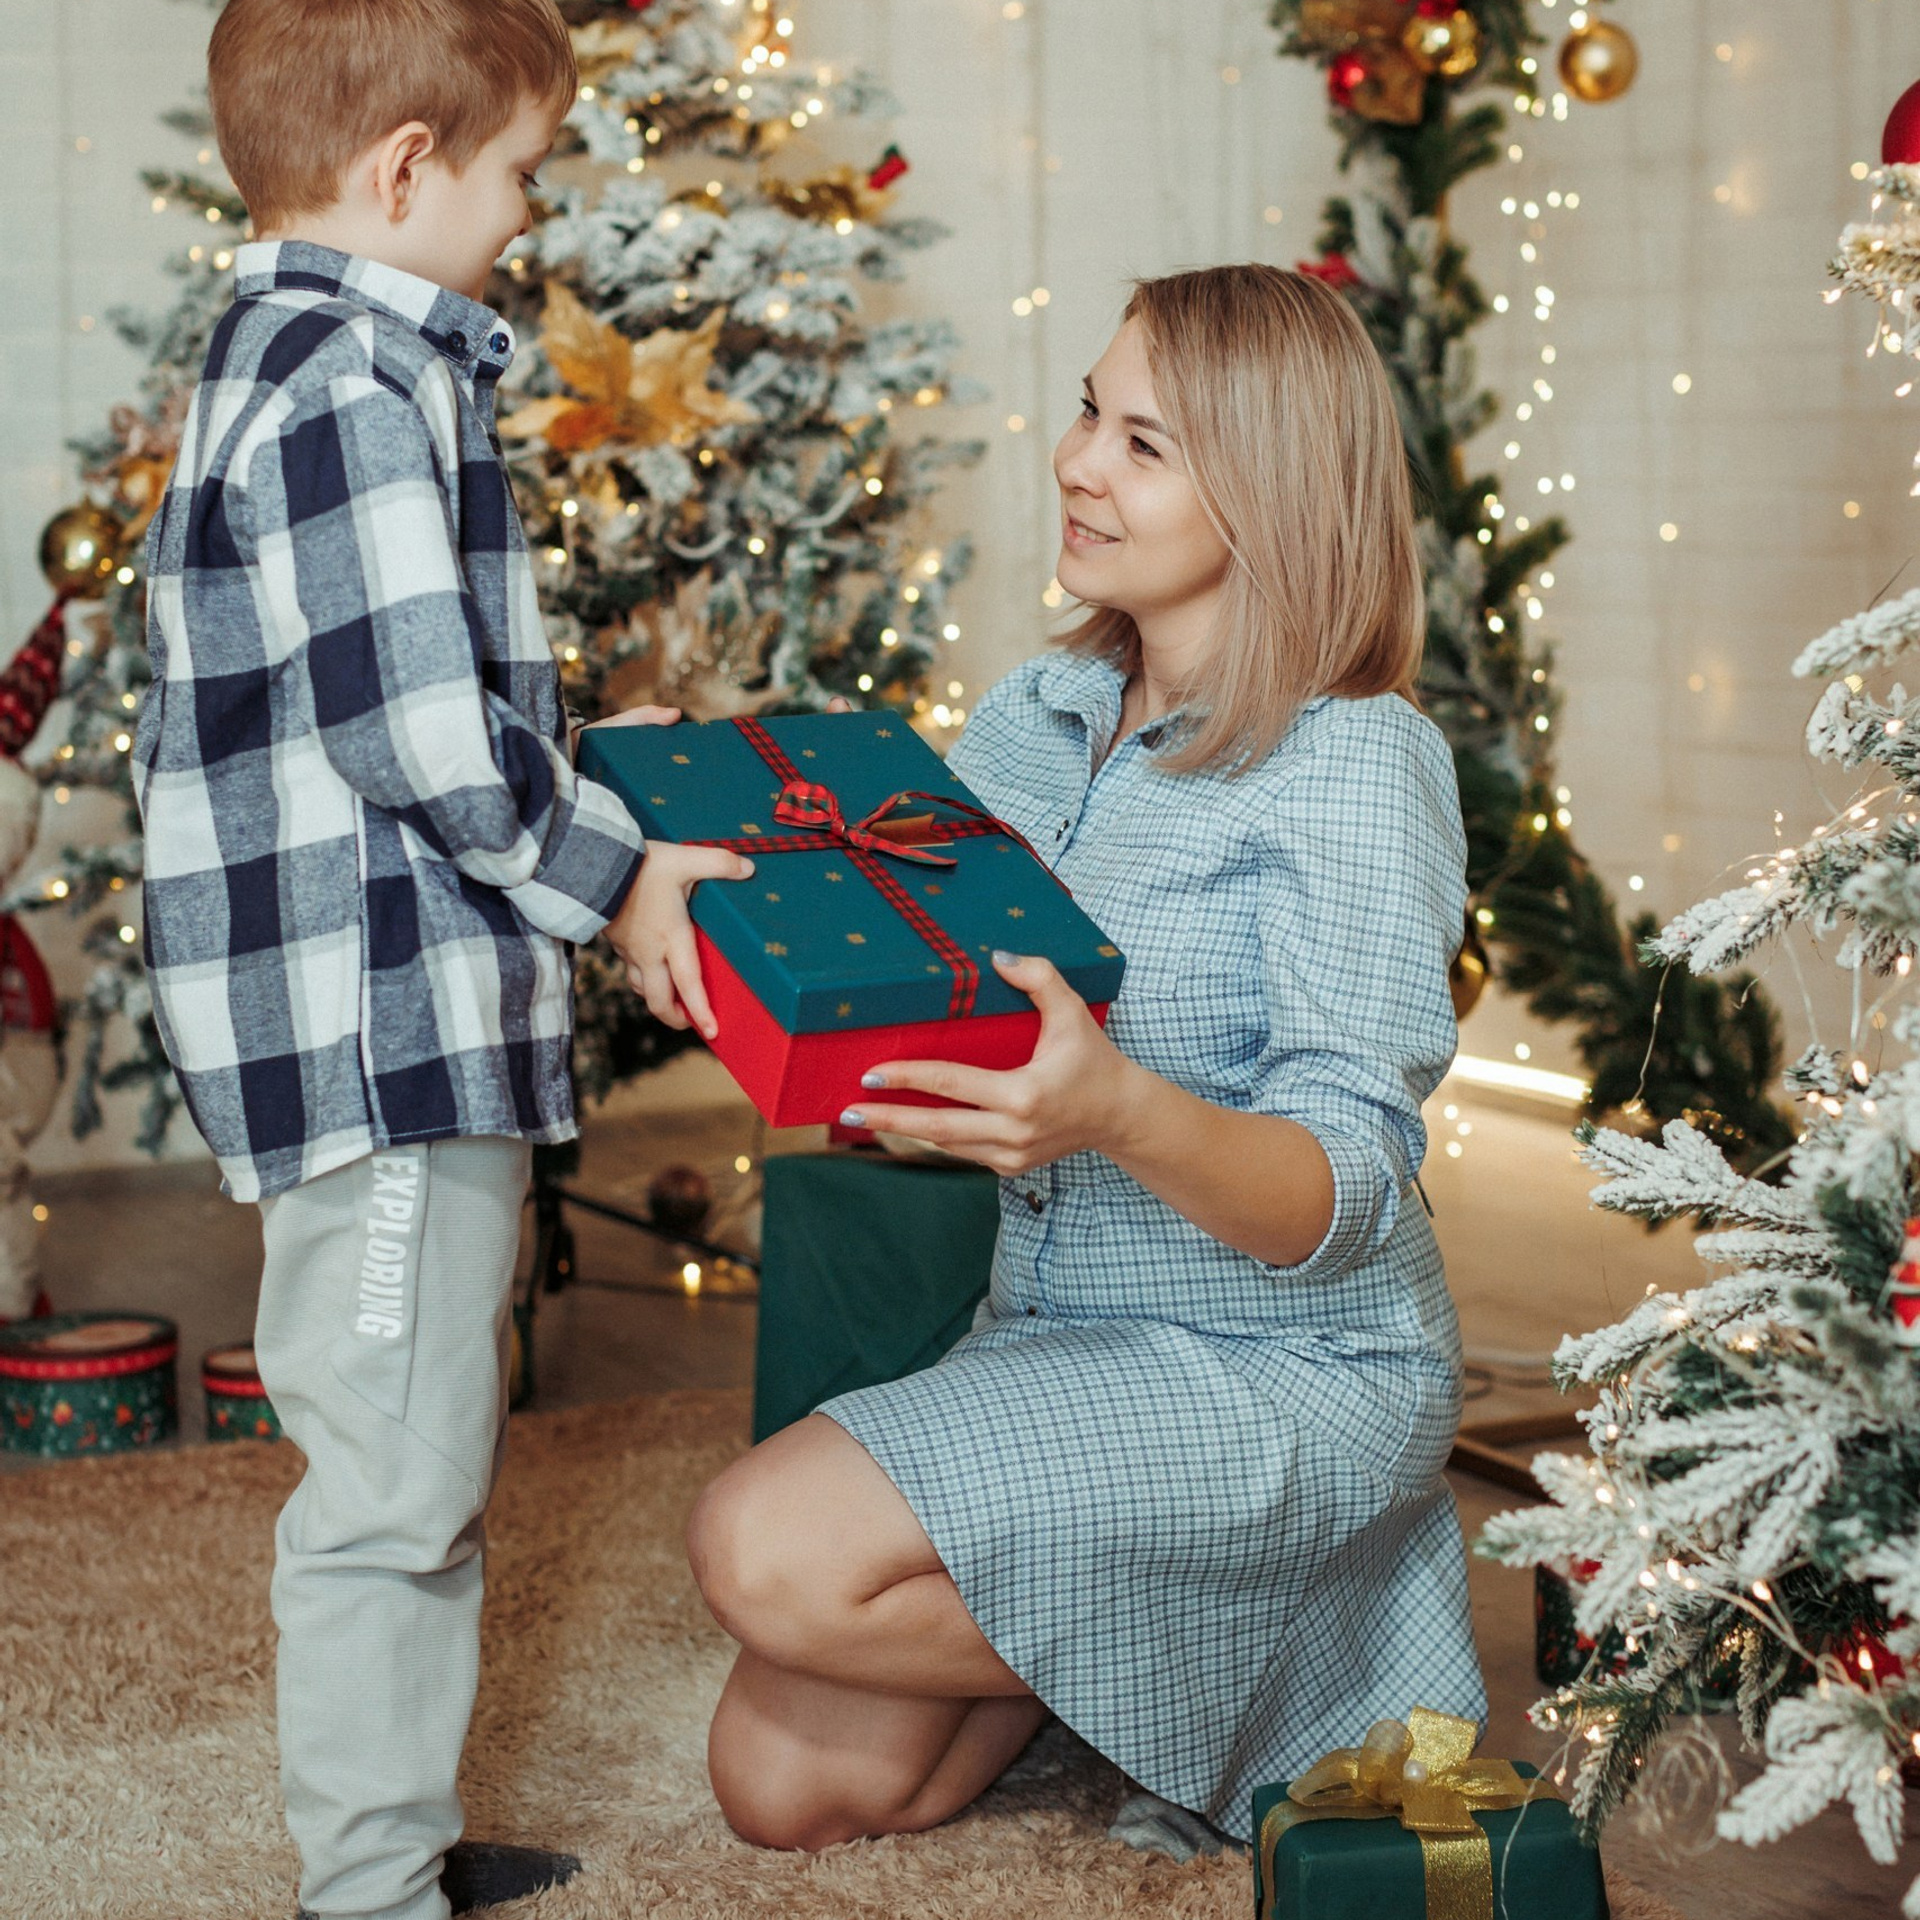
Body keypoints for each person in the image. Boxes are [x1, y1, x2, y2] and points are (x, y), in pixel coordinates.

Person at [683, 264, 1488, 1850]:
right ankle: (1175, 1633)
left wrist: (1112, 1109)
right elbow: (926, 1025)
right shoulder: (1033, 720)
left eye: (1144, 444)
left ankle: (1296, 1611)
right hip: (1053, 1330)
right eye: (1087, 414)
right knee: (788, 1792)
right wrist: (706, 923)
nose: (1075, 464)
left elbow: (1346, 1197)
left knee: (762, 1552)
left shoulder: (1355, 760)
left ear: (1269, 490)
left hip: (1287, 1366)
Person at [138, 3, 749, 1914]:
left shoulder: (310, 358)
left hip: (386, 1014)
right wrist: (621, 879)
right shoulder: (347, 386)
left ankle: (389, 1835)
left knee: (415, 1445)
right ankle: (371, 1891)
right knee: (395, 1485)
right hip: (378, 1037)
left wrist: (573, 787)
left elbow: (392, 703)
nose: (529, 213)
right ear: (407, 167)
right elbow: (412, 733)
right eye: (521, 175)